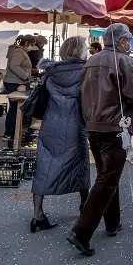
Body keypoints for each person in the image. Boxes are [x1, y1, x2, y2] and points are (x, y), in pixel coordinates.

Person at [68, 24, 133, 257]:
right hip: (115, 125)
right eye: (128, 40)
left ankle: (113, 222)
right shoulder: (123, 61)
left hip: (94, 125)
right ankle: (82, 231)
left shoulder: (91, 61)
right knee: (107, 179)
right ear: (122, 41)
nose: (130, 44)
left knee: (107, 175)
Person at [29, 36, 90, 232]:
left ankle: (37, 214)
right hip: (75, 124)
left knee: (44, 166)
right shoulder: (86, 72)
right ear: (80, 51)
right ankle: (85, 206)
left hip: (51, 124)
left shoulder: (50, 72)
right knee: (79, 165)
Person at [2, 35, 34, 142]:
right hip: (14, 82)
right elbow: (14, 66)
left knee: (15, 108)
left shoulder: (20, 51)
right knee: (14, 108)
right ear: (26, 43)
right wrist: (26, 76)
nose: (32, 47)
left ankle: (12, 132)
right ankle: (9, 133)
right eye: (31, 44)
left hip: (15, 81)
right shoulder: (19, 52)